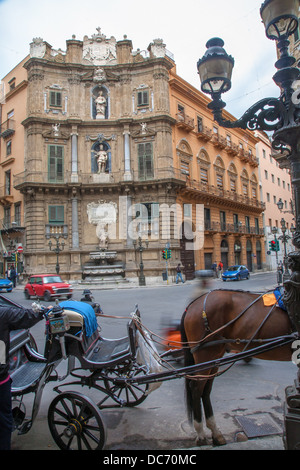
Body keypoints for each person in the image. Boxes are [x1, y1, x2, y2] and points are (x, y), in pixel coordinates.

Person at [0, 303, 45, 450]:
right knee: (4, 421)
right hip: (1, 380)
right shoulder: (3, 314)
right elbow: (25, 317)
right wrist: (42, 311)